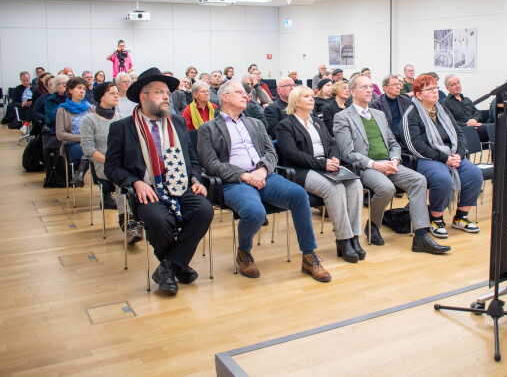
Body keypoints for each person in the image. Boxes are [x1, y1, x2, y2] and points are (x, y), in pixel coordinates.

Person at [197, 81, 331, 282]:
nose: (246, 96)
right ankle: (243, 251)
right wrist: (244, 175)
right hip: (235, 181)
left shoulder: (255, 123)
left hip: (264, 176)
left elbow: (270, 152)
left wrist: (262, 170)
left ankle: (309, 255)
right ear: (224, 97)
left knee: (298, 195)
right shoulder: (209, 128)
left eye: (246, 93)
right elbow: (210, 164)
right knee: (255, 212)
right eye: (240, 93)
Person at [104, 67, 213, 296]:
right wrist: (135, 182)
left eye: (168, 93)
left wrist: (195, 178)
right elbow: (111, 167)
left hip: (181, 185)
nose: (166, 97)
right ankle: (177, 266)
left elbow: (191, 156)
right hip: (149, 190)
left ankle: (168, 267)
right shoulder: (122, 128)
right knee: (157, 219)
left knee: (204, 209)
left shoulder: (176, 122)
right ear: (143, 97)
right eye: (159, 92)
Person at [333, 74, 450, 255]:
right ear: (352, 92)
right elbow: (347, 153)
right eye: (364, 87)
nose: (369, 90)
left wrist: (395, 159)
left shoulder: (378, 114)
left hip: (389, 163)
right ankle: (373, 224)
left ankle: (421, 236)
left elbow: (393, 143)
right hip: (365, 167)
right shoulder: (343, 117)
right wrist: (375, 165)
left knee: (419, 180)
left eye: (370, 87)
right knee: (387, 188)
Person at [277, 86, 365, 263]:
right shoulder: (285, 125)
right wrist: (323, 163)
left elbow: (332, 142)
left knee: (355, 184)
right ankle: (343, 239)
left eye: (312, 96)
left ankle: (354, 236)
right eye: (306, 96)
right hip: (302, 171)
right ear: (295, 102)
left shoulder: (317, 121)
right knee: (335, 188)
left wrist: (333, 158)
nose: (312, 99)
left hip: (327, 165)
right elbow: (293, 154)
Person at [401, 74, 483, 238]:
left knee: (474, 175)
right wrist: (444, 159)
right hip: (427, 158)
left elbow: (459, 134)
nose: (435, 92)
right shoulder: (411, 115)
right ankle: (436, 219)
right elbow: (415, 145)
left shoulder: (442, 110)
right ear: (418, 94)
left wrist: (459, 155)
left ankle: (461, 217)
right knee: (442, 179)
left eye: (435, 88)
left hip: (452, 155)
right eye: (429, 89)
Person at [80, 82, 142, 243]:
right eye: (112, 93)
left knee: (144, 176)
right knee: (122, 182)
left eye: (116, 93)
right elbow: (88, 149)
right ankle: (128, 224)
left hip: (125, 163)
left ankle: (142, 217)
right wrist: (112, 160)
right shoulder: (89, 120)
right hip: (103, 165)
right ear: (101, 97)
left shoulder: (122, 118)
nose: (117, 96)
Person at [55, 77, 95, 188]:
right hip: (74, 145)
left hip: (92, 143)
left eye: (84, 88)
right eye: (79, 88)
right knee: (92, 150)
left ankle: (80, 174)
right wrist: (82, 138)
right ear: (70, 90)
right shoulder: (62, 110)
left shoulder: (91, 108)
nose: (82, 91)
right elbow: (60, 134)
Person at [442, 75, 489, 142]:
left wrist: (474, 120)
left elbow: (477, 112)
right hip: (463, 129)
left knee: (496, 128)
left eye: (458, 83)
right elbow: (449, 121)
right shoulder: (445, 102)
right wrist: (467, 125)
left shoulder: (467, 99)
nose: (457, 86)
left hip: (476, 125)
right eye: (453, 84)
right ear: (447, 88)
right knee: (492, 129)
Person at [370, 74, 411, 141]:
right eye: (395, 84)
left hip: (406, 137)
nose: (398, 87)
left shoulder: (405, 100)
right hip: (388, 139)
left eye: (399, 84)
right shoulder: (376, 105)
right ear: (385, 88)